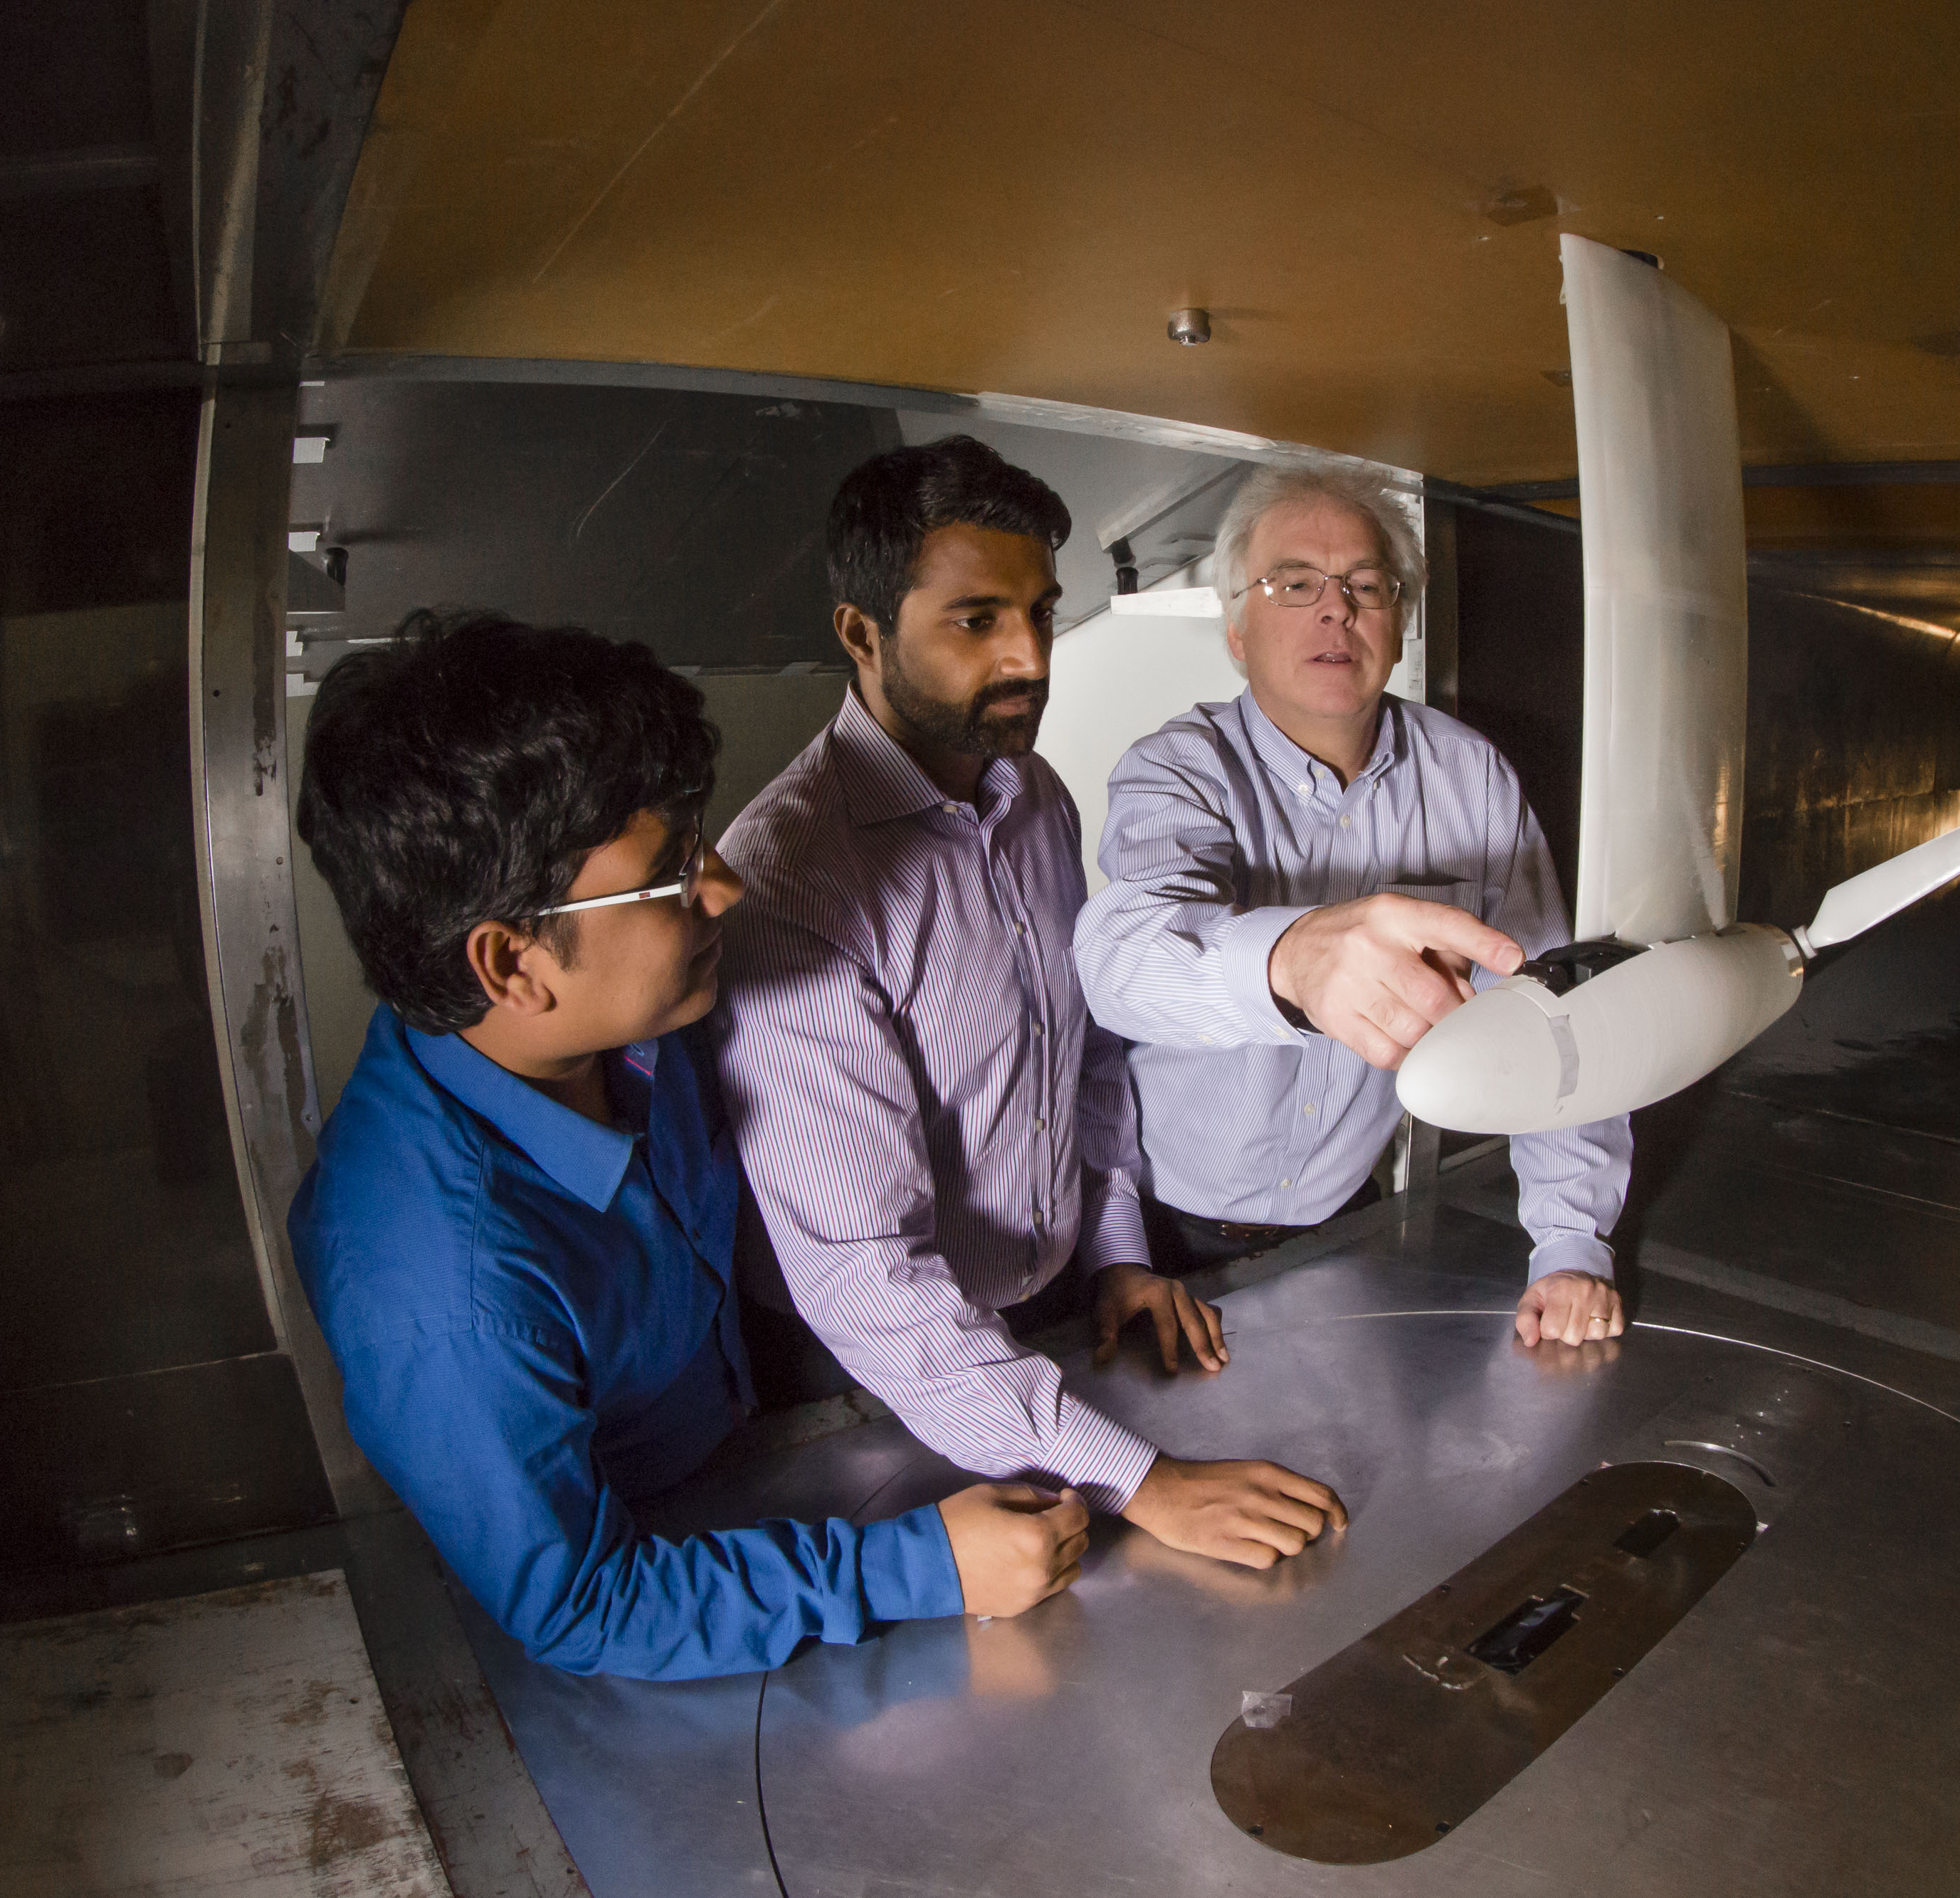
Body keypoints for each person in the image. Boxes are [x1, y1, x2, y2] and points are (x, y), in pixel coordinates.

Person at [287, 610, 1085, 1680]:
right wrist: (920, 1566)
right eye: (671, 875)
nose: (726, 886)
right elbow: (581, 1602)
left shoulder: (634, 1030)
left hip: (762, 1441)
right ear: (512, 963)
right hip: (669, 1568)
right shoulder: (441, 1289)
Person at [714, 436, 1347, 1570]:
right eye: (975, 619)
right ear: (862, 632)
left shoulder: (1033, 794)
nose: (1027, 656)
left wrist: (1114, 1255)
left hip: (1049, 1309)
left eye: (1042, 612)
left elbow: (1084, 1054)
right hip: (868, 1365)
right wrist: (1147, 1481)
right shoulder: (787, 885)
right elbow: (868, 1281)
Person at [1072, 465, 1634, 1348]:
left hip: (1351, 1224)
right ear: (1236, 629)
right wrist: (1290, 961)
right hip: (1161, 1244)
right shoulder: (1177, 770)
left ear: (1399, 619)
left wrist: (1568, 1242)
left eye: (1366, 585)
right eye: (1295, 583)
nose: (1335, 609)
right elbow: (1125, 962)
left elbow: (1548, 1014)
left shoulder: (1470, 777)